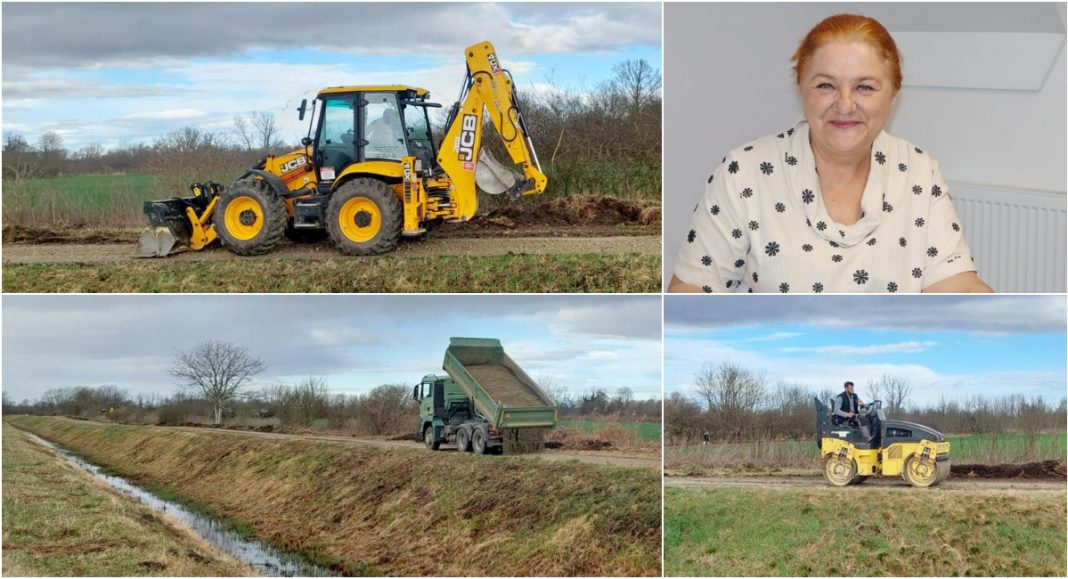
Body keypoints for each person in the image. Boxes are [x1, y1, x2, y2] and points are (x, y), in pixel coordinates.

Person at [670, 14, 993, 294]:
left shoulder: (918, 169)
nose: (844, 104)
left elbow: (953, 283)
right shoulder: (744, 171)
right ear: (801, 87)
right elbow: (692, 286)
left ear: (894, 93)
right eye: (826, 86)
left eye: (865, 87)